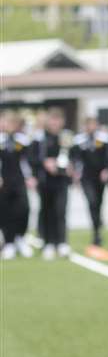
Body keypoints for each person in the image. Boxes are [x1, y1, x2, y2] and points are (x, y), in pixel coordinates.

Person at [28, 108, 71, 259]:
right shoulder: (39, 138)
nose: (55, 123)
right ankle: (48, 243)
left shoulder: (65, 137)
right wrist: (45, 163)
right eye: (53, 119)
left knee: (61, 211)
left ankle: (62, 242)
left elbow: (72, 156)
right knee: (47, 211)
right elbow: (31, 158)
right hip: (45, 181)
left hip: (62, 180)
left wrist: (71, 166)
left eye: (58, 120)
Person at [71, 113, 108, 256]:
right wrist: (76, 173)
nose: (90, 127)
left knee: (99, 203)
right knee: (92, 202)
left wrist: (107, 170)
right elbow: (75, 158)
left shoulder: (104, 139)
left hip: (99, 177)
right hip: (86, 177)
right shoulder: (79, 140)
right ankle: (96, 231)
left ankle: (97, 229)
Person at [0, 112, 32, 259]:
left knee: (23, 209)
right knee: (6, 212)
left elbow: (26, 161)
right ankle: (9, 242)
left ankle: (21, 237)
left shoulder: (23, 140)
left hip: (19, 181)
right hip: (3, 182)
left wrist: (30, 177)